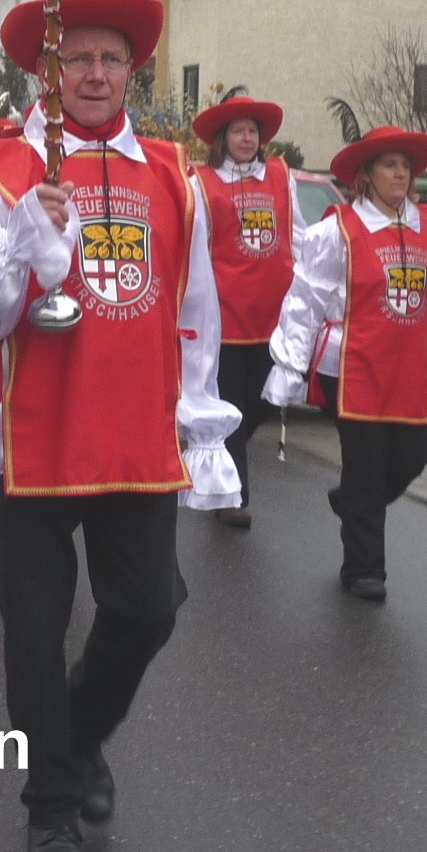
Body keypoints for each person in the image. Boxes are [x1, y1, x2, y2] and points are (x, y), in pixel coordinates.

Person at [0, 0, 241, 852]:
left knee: (147, 610)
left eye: (111, 58)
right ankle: (51, 801)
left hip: (136, 437)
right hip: (20, 444)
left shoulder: (174, 175)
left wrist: (201, 427)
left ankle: (81, 734)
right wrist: (24, 242)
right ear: (45, 71)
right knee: (34, 632)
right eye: (76, 58)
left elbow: (194, 311)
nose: (94, 74)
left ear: (132, 71)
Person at [263, 124, 427, 601]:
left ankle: (353, 504)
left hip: (410, 371)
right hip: (351, 369)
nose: (400, 174)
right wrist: (290, 366)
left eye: (405, 166)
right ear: (367, 175)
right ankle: (363, 568)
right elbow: (305, 301)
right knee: (365, 466)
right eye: (389, 165)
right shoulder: (336, 231)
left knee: (411, 458)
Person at [191, 94, 304, 528]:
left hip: (273, 316)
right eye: (237, 131)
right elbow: (195, 247)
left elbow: (296, 237)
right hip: (223, 316)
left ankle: (214, 454)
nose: (246, 138)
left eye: (252, 131)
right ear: (223, 138)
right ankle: (232, 495)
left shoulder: (280, 176)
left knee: (262, 399)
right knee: (233, 400)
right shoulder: (203, 182)